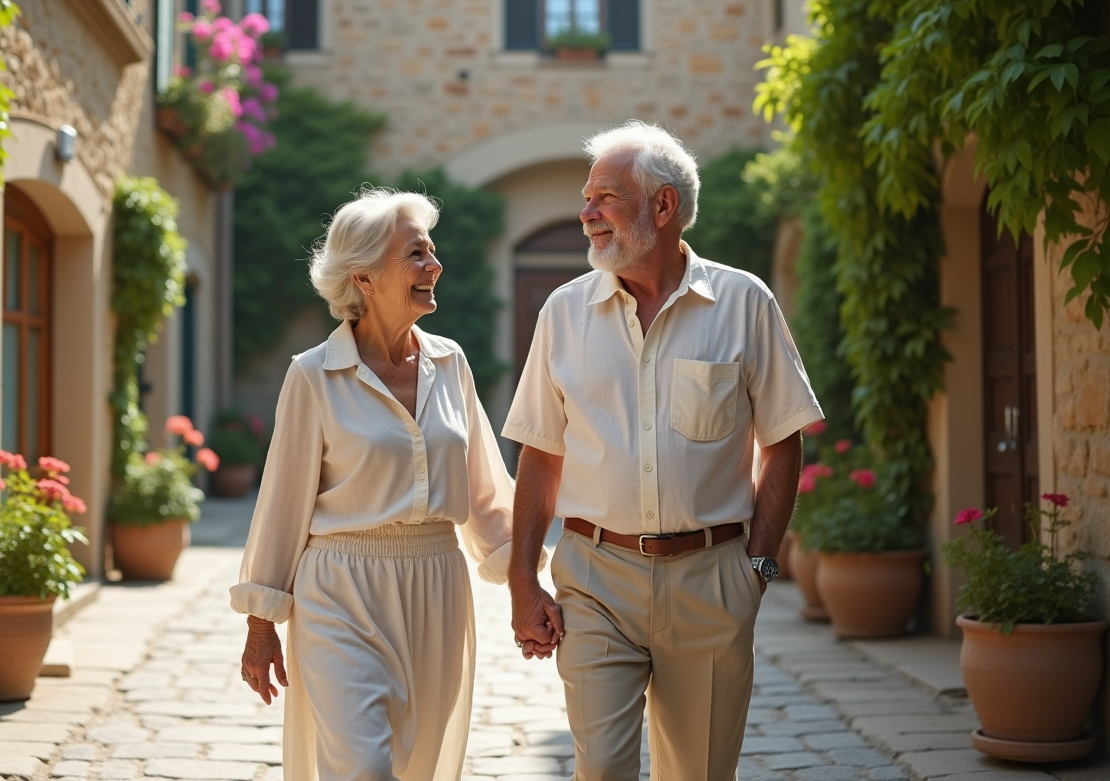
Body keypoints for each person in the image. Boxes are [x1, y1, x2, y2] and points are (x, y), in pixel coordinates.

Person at [504, 121, 823, 781]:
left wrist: (756, 567)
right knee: (602, 770)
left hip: (712, 581)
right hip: (593, 579)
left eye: (606, 196)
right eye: (586, 197)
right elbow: (540, 453)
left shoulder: (744, 302)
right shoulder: (563, 313)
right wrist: (522, 578)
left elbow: (784, 440)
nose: (587, 212)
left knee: (700, 772)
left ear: (664, 206)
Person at [231, 188, 535, 781]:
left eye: (431, 251)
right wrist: (262, 620)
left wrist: (524, 582)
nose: (434, 266)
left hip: (436, 586)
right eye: (416, 254)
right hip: (340, 589)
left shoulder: (451, 364)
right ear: (364, 277)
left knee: (417, 768)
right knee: (363, 768)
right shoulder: (313, 375)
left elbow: (484, 494)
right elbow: (281, 502)